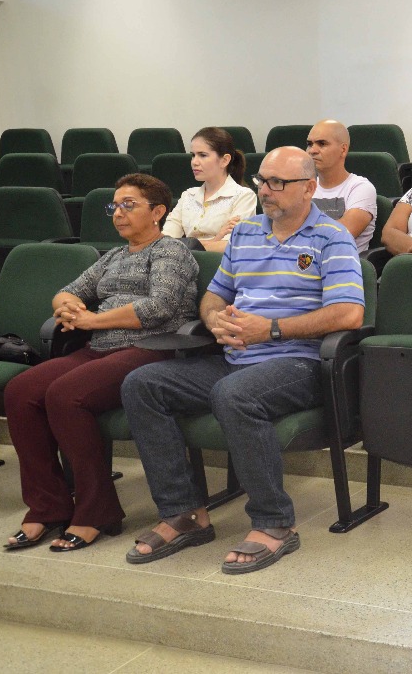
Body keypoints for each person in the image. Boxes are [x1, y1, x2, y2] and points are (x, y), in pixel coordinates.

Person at [121, 147, 364, 574]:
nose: (265, 190)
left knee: (234, 395)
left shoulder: (331, 238)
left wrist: (270, 329)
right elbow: (216, 294)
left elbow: (348, 314)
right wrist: (214, 319)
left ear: (309, 188)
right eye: (262, 181)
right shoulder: (246, 232)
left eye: (277, 183)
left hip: (299, 361)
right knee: (143, 384)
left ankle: (275, 522)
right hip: (237, 355)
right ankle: (184, 513)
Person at [2, 174, 199, 552]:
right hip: (100, 348)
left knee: (65, 394)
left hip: (150, 348)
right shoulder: (114, 256)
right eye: (115, 206)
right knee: (20, 390)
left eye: (129, 205)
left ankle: (96, 510)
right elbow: (68, 291)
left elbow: (159, 307)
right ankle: (47, 506)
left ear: (158, 212)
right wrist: (67, 307)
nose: (118, 213)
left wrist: (92, 320)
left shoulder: (170, 252)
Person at [162, 127, 257, 252]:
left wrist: (188, 244)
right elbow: (164, 243)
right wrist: (215, 239)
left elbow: (230, 246)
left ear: (225, 160)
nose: (194, 162)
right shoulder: (188, 195)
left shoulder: (244, 196)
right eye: (193, 155)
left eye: (202, 155)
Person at [307, 119, 378, 252]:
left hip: (341, 261)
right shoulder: (303, 186)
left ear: (343, 149)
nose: (312, 150)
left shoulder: (360, 187)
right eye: (309, 144)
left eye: (322, 144)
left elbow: (340, 235)